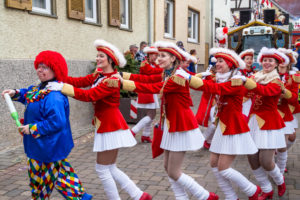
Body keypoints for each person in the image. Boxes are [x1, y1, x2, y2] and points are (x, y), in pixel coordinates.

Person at [46, 40, 152, 200]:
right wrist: (59, 79)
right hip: (107, 124)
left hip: (110, 125)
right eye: (97, 55)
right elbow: (80, 82)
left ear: (111, 60)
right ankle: (139, 195)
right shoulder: (100, 75)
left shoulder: (112, 80)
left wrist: (63, 88)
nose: (97, 58)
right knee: (110, 167)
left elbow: (90, 95)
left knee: (102, 169)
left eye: (101, 56)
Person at [116, 41, 218, 200]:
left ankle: (205, 196)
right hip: (171, 124)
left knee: (174, 171)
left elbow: (153, 87)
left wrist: (123, 83)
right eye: (158, 56)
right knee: (167, 167)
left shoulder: (177, 77)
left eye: (163, 56)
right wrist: (123, 75)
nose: (158, 59)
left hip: (181, 125)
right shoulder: (168, 73)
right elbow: (146, 79)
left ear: (173, 58)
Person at [1, 51, 92, 200]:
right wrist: (15, 93)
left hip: (48, 148)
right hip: (41, 147)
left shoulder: (54, 95)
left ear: (55, 70)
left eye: (44, 67)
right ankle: (81, 197)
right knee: (62, 177)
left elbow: (57, 122)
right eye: (39, 66)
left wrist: (32, 128)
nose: (39, 70)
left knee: (41, 183)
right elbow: (29, 95)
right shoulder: (42, 88)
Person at [178, 48, 261, 200]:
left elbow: (213, 88)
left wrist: (189, 79)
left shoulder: (236, 80)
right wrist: (186, 76)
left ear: (230, 64)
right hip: (222, 126)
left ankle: (253, 190)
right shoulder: (219, 78)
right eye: (216, 61)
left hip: (234, 127)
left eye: (221, 61)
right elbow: (204, 83)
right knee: (214, 164)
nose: (217, 64)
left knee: (224, 168)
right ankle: (231, 196)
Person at [232, 47, 288, 199]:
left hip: (269, 124)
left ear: (276, 64)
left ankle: (280, 180)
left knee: (266, 161)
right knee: (252, 158)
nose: (267, 63)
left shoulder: (276, 81)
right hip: (253, 123)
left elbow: (265, 91)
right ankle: (266, 188)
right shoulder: (256, 76)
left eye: (270, 60)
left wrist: (247, 82)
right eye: (264, 60)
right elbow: (244, 93)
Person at [131, 46, 163, 143]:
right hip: (146, 91)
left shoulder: (154, 64)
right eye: (153, 55)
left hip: (151, 91)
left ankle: (145, 135)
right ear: (149, 54)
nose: (155, 57)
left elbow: (157, 71)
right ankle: (133, 131)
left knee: (151, 114)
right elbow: (152, 72)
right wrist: (163, 70)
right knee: (151, 114)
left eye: (156, 55)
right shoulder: (144, 63)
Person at [276, 48, 300, 174]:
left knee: (292, 137)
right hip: (272, 112)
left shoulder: (294, 77)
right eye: (280, 58)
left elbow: (294, 98)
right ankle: (280, 169)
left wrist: (283, 92)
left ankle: (279, 159)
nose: (283, 61)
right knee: (282, 144)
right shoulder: (269, 73)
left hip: (287, 110)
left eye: (286, 58)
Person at [239, 49, 256, 121]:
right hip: (243, 99)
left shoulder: (255, 72)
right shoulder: (239, 73)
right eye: (247, 59)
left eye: (251, 59)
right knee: (244, 118)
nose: (249, 60)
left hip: (253, 99)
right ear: (243, 60)